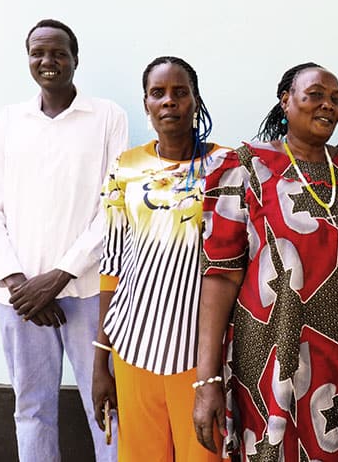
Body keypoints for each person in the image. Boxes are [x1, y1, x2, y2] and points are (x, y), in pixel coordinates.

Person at [192, 63, 338, 461]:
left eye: (337, 99)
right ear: (286, 100)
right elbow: (219, 277)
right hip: (274, 358)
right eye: (316, 96)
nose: (329, 106)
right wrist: (207, 379)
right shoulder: (244, 170)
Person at [0, 19, 127, 462]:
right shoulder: (8, 121)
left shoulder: (107, 117)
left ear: (76, 59)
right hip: (19, 300)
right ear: (28, 61)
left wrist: (56, 279)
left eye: (58, 52)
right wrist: (20, 283)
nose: (48, 61)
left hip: (88, 292)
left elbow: (112, 208)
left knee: (105, 406)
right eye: (38, 53)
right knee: (32, 408)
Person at [91, 56, 230, 462]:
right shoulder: (127, 167)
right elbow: (112, 263)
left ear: (195, 100)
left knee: (204, 455)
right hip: (134, 344)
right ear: (146, 104)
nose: (169, 101)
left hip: (199, 352)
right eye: (158, 93)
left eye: (179, 92)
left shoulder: (227, 167)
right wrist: (101, 360)